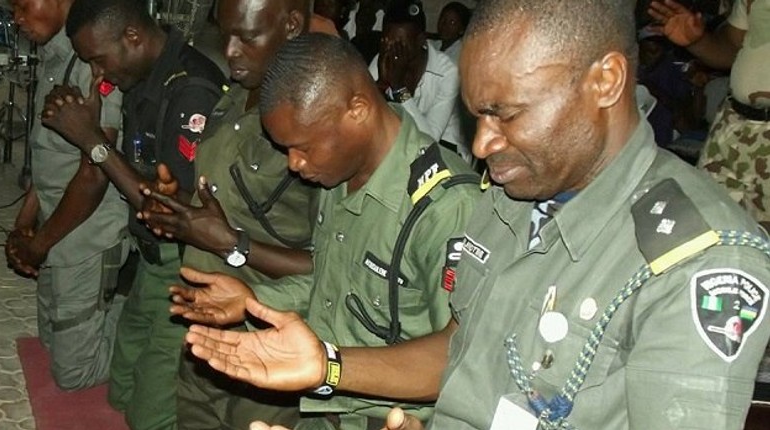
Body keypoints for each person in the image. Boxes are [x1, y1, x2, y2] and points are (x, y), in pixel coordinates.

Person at [181, 0, 770, 429]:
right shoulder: (511, 199)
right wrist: (328, 366)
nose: (482, 144)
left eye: (504, 114)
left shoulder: (701, 257)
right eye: (474, 116)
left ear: (606, 82)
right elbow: (461, 347)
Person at [168, 32, 480, 429]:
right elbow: (333, 283)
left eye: (302, 147)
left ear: (358, 109)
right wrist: (254, 302)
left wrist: (329, 367)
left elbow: (458, 356)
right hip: (321, 412)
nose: (294, 164)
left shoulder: (445, 207)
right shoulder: (339, 176)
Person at [135, 0, 323, 428]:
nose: (231, 50)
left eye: (248, 36)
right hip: (203, 336)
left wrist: (230, 244)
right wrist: (179, 205)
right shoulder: (233, 97)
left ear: (291, 25)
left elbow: (330, 264)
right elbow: (226, 205)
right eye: (225, 34)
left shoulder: (314, 127)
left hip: (264, 345)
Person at [39, 0, 226, 427]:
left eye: (98, 60)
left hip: (188, 267)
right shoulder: (141, 76)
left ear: (133, 37)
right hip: (151, 259)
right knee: (120, 388)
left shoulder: (190, 89)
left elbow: (171, 213)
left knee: (148, 417)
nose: (99, 74)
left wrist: (92, 141)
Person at [649, 0, 770, 404]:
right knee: (706, 240)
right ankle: (703, 360)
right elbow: (732, 47)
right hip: (737, 127)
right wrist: (700, 42)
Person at [5, 0, 127, 391]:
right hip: (57, 227)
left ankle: (152, 337)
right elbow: (48, 162)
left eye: (24, 6)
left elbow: (94, 174)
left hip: (89, 234)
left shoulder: (93, 57)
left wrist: (38, 245)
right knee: (49, 342)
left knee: (74, 374)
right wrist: (23, 224)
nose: (17, 19)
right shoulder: (56, 53)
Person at [370, 1, 470, 164]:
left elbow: (429, 140)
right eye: (388, 41)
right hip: (402, 144)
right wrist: (381, 83)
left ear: (421, 41)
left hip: (446, 152)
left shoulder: (447, 72)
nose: (394, 49)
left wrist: (398, 89)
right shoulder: (384, 58)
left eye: (401, 44)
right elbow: (366, 119)